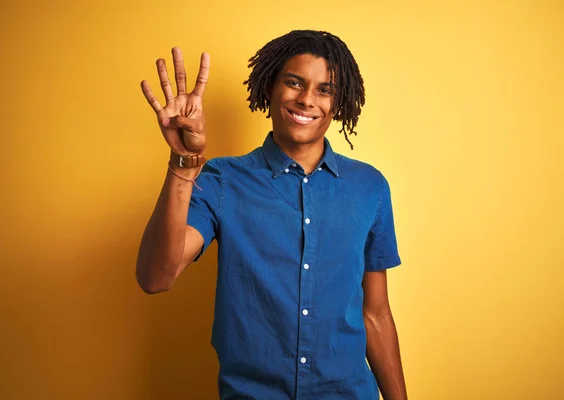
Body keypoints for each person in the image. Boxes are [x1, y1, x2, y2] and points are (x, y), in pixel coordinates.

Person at [137, 30, 408, 400]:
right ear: (270, 88)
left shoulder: (370, 187)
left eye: (324, 90)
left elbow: (376, 315)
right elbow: (156, 277)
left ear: (339, 103)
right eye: (294, 83)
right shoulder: (222, 179)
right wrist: (184, 163)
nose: (307, 99)